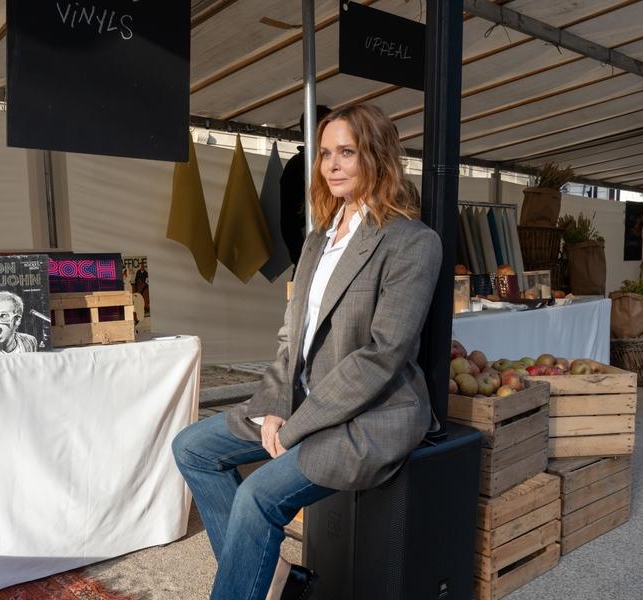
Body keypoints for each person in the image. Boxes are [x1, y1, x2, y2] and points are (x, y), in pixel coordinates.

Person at [172, 104, 442, 600]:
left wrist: (293, 427)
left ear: (377, 157)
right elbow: (289, 337)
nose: (332, 165)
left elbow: (382, 356)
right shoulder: (318, 238)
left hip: (367, 415)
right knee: (191, 448)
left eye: (347, 152)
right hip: (300, 402)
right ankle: (274, 578)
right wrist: (275, 409)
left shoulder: (412, 242)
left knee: (258, 496)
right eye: (324, 154)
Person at [280, 105, 331, 274]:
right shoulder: (298, 166)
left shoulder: (332, 164)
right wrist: (302, 260)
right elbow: (289, 220)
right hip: (311, 261)